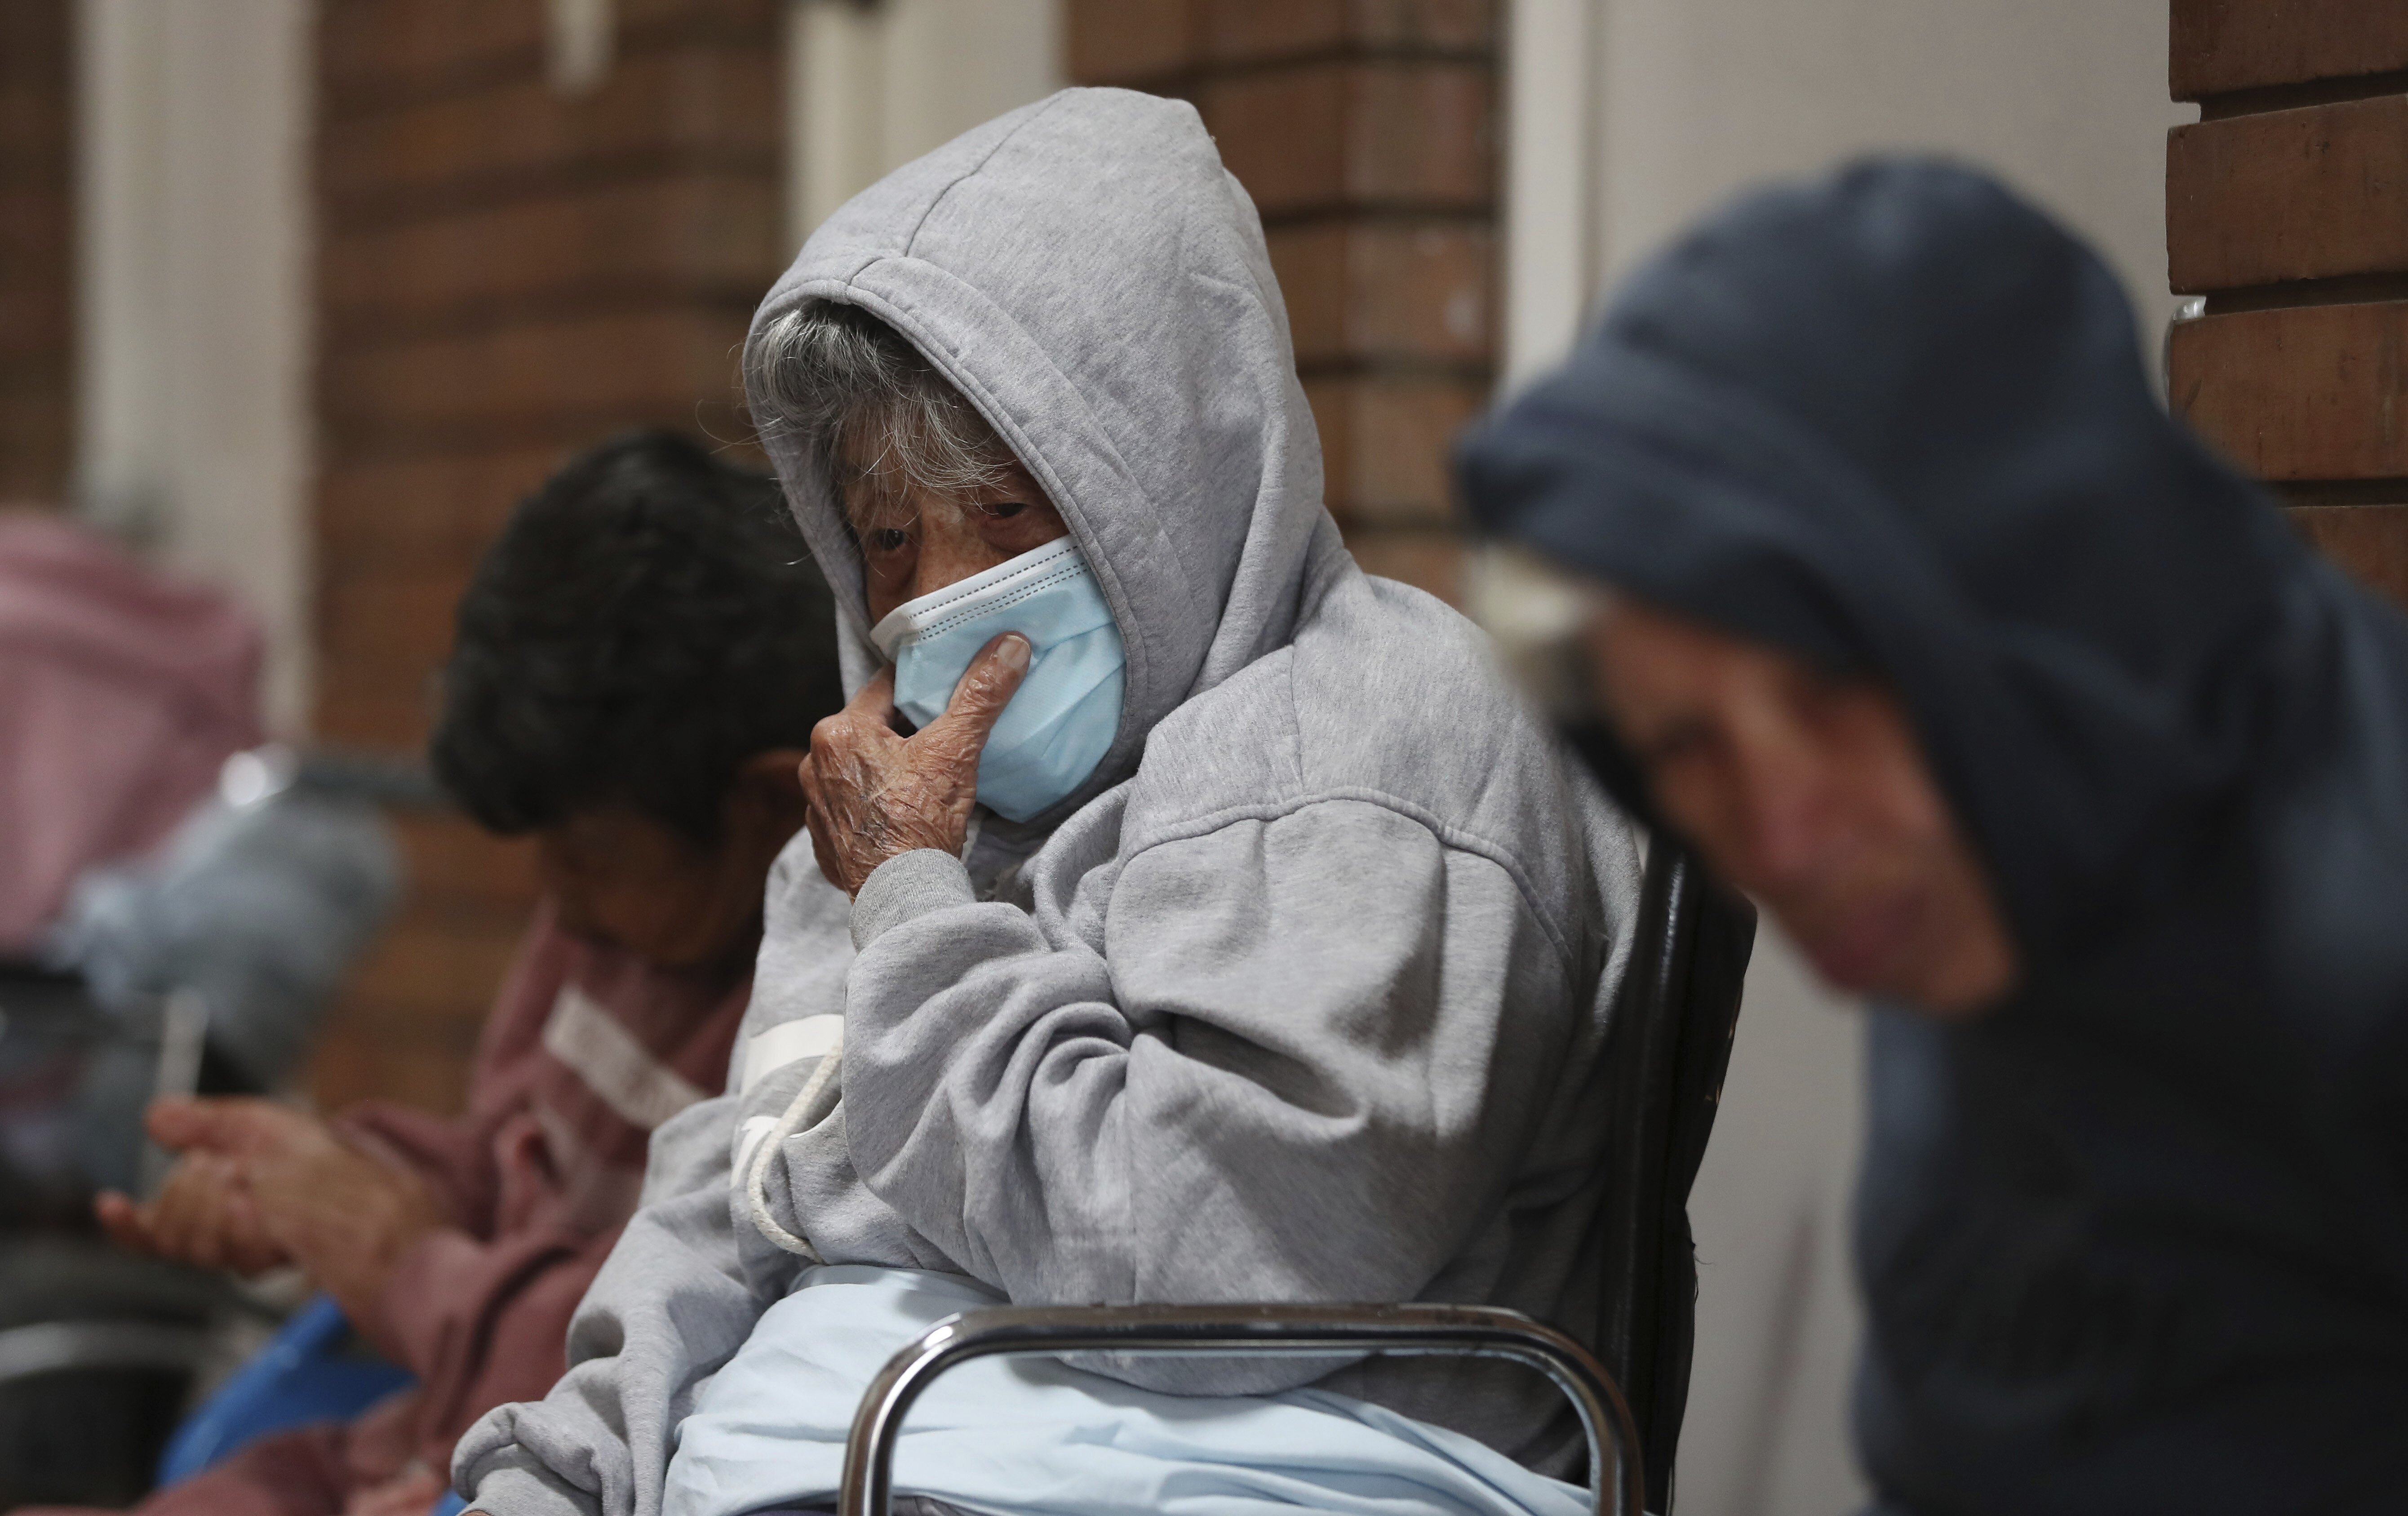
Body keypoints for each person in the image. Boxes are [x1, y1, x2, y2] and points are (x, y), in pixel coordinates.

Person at [453, 88, 1646, 1516]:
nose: (944, 593)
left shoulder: (1379, 731)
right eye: (889, 536)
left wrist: (916, 908)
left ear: (1174, 466)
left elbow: (1212, 1255)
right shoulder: (888, 798)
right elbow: (735, 1206)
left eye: (1009, 513)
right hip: (828, 1466)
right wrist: (564, 1466)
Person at [1458, 160, 2408, 1515]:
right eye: (1685, 746)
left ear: (2035, 594)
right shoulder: (1993, 872)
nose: (1780, 833)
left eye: (1830, 691)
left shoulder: (2358, 935)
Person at [85, 433, 846, 1516]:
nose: (562, 904)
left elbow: (679, 1362)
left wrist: (404, 1266)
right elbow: (502, 1164)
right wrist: (321, 1185)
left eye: (591, 853)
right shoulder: (619, 926)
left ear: (772, 805)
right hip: (415, 1440)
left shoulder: (819, 1031)